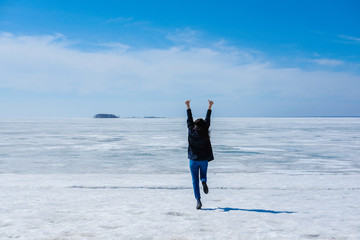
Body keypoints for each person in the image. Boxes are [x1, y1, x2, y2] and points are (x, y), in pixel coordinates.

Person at [185, 99, 214, 209]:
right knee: (203, 174)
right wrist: (209, 106)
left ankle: (198, 200)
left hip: (193, 160)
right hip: (203, 160)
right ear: (203, 126)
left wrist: (188, 106)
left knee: (194, 180)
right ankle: (204, 181)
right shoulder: (205, 131)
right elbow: (208, 120)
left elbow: (189, 120)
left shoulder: (191, 131)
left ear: (194, 126)